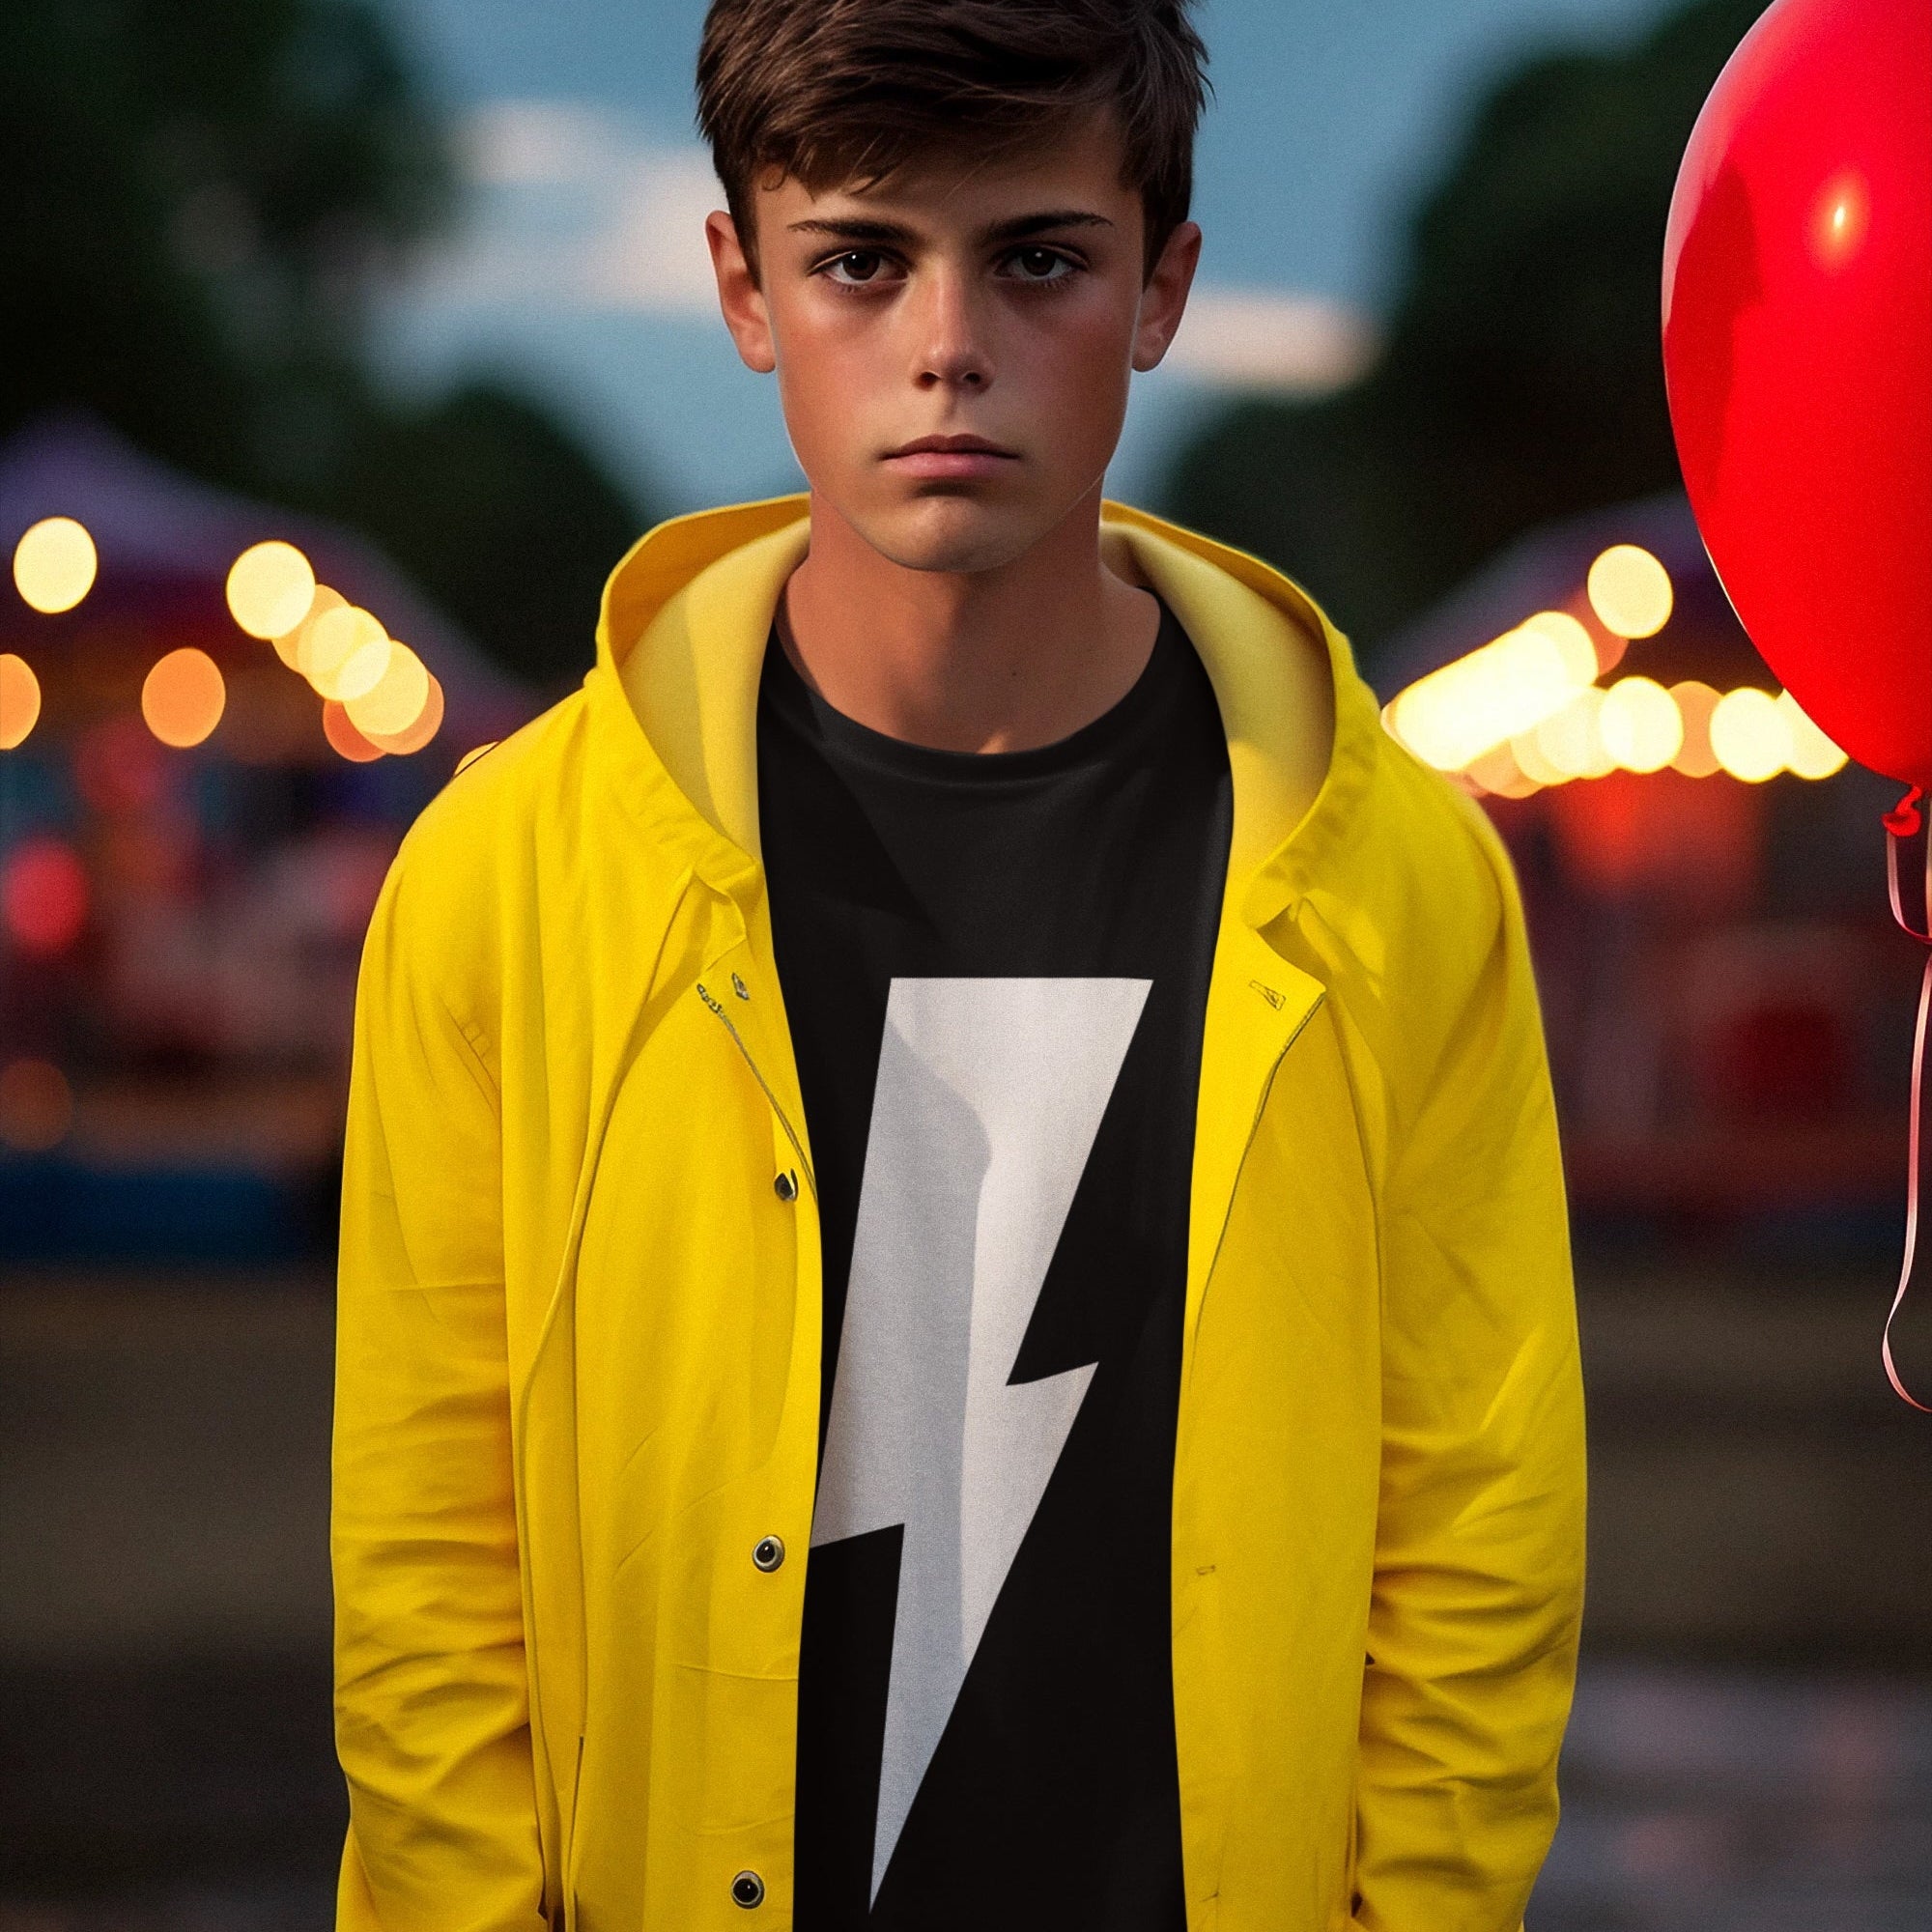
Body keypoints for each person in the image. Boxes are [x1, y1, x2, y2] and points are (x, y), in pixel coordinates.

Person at [329, 1, 1586, 1926]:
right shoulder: (506, 878)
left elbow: (1476, 1542)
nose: (946, 346)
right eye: (859, 260)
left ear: (1160, 285)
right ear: (742, 289)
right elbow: (429, 1585)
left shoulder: (1399, 873)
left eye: (1037, 260)